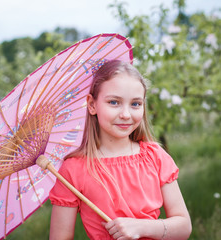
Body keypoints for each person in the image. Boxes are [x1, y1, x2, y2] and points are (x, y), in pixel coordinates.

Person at [49, 60, 192, 240]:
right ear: (92, 105)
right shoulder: (73, 170)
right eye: (114, 102)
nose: (126, 114)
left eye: (135, 104)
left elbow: (184, 226)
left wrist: (141, 227)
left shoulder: (155, 157)